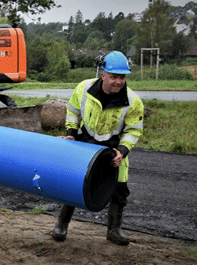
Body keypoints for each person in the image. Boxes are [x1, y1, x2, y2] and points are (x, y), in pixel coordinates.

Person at [53, 51, 144, 246]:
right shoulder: (84, 88)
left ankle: (114, 230)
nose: (118, 81)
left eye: (122, 77)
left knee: (119, 190)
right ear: (103, 75)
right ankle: (61, 224)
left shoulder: (133, 101)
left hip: (113, 149)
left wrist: (122, 151)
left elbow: (134, 130)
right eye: (114, 77)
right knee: (75, 184)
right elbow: (73, 110)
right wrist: (70, 132)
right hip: (85, 143)